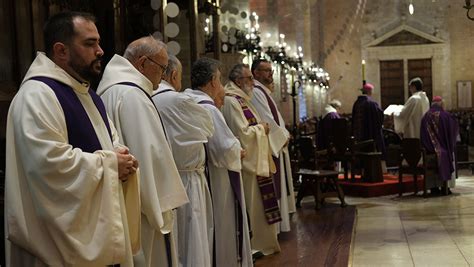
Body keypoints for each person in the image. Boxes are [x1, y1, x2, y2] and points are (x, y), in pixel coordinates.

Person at [5, 12, 140, 266]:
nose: (100, 51)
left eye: (99, 42)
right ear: (61, 51)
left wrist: (122, 158)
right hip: (55, 249)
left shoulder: (88, 94)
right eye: (90, 43)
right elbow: (48, 167)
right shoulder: (37, 95)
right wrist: (111, 165)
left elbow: (112, 143)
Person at [97, 37, 189, 267]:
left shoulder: (111, 90)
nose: (164, 74)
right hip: (143, 208)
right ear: (142, 63)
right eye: (162, 67)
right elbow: (150, 156)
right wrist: (163, 207)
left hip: (124, 199)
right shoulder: (133, 96)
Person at [184, 58, 253, 267]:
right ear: (213, 80)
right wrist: (238, 151)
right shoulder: (209, 107)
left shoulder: (186, 99)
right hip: (216, 177)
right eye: (220, 79)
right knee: (221, 227)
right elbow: (224, 148)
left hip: (194, 174)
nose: (221, 86)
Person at [152, 56, 215, 267]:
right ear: (174, 75)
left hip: (163, 179)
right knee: (193, 238)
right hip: (189, 179)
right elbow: (208, 128)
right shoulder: (180, 100)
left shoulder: (148, 97)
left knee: (174, 242)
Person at [222, 63, 281, 256]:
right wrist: (262, 129)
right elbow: (242, 134)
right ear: (239, 81)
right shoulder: (231, 101)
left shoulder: (242, 99)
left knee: (259, 207)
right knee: (254, 208)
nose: (252, 83)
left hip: (254, 163)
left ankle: (265, 244)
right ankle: (257, 245)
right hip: (248, 166)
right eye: (249, 79)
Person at [250, 58, 296, 233]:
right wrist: (282, 136)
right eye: (266, 70)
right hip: (271, 146)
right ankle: (274, 229)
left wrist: (283, 134)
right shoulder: (256, 91)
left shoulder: (263, 91)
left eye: (271, 70)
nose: (271, 73)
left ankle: (279, 226)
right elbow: (266, 119)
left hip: (277, 144)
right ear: (256, 73)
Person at [420, 96, 458, 194]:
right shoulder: (446, 116)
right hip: (444, 150)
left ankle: (433, 188)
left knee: (440, 153)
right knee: (447, 153)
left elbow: (423, 135)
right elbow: (452, 132)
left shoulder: (425, 116)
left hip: (429, 151)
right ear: (441, 104)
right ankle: (446, 187)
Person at [351, 83, 386, 155]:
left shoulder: (356, 103)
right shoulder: (372, 103)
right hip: (370, 134)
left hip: (359, 136)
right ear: (369, 91)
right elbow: (380, 118)